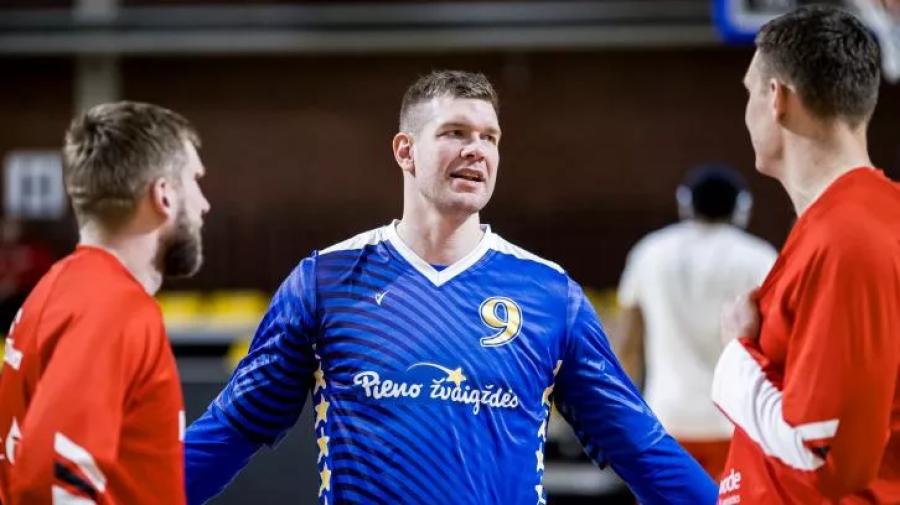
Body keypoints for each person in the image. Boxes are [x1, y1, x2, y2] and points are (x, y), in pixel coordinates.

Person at [185, 70, 716, 505]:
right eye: (456, 133)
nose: (477, 150)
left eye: (490, 138)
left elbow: (640, 447)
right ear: (405, 150)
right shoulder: (326, 281)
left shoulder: (548, 293)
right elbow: (233, 428)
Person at [711, 5, 900, 503]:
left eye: (750, 91)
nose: (747, 110)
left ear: (777, 97)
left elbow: (827, 455)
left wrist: (737, 355)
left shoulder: (849, 235)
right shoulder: (848, 223)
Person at [0, 101, 211, 504]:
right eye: (195, 181)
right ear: (164, 195)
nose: (204, 204)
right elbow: (48, 482)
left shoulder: (58, 287)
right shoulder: (114, 308)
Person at [616, 164, 776, 479]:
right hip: (735, 421)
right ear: (742, 207)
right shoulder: (759, 258)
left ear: (685, 202)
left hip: (664, 419)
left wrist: (621, 421)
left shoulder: (650, 253)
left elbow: (626, 347)